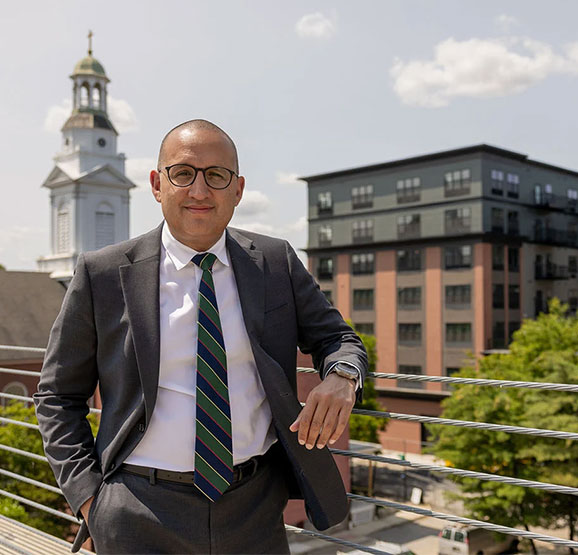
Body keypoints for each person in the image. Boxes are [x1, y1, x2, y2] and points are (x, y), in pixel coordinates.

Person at [33, 119, 367, 554]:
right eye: (183, 173)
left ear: (238, 189)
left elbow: (338, 338)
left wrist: (342, 377)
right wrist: (90, 500)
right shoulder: (102, 274)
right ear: (157, 184)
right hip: (138, 511)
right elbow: (57, 396)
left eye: (216, 175)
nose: (199, 190)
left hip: (254, 508)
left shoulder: (274, 262)